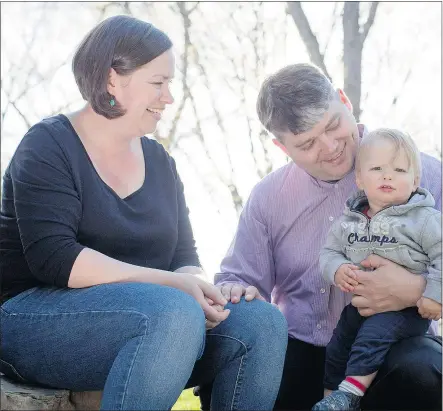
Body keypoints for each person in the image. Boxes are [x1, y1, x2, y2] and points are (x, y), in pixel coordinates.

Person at [0, 15, 288, 411]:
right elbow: (56, 259)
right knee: (172, 311)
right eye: (158, 82)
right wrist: (171, 287)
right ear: (113, 79)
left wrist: (203, 292)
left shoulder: (160, 161)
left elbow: (183, 257)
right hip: (33, 319)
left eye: (169, 83)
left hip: (158, 320)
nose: (168, 97)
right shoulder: (48, 145)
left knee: (261, 321)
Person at [197, 64, 442, 410]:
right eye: (307, 143)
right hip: (301, 350)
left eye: (332, 125)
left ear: (344, 100)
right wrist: (234, 290)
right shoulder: (268, 198)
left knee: (424, 371)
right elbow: (238, 278)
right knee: (233, 369)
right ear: (282, 147)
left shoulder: (425, 173)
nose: (329, 147)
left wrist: (417, 290)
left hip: (397, 346)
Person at [311, 128, 441, 410]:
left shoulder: (424, 219)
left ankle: (350, 395)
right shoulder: (350, 221)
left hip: (406, 312)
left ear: (415, 180)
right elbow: (329, 252)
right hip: (363, 306)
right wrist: (338, 268)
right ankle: (330, 398)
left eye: (399, 169)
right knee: (339, 343)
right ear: (359, 179)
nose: (387, 175)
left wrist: (433, 294)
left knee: (371, 338)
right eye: (377, 168)